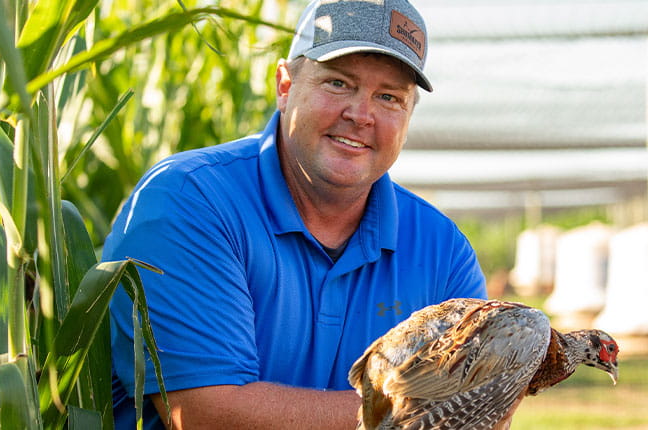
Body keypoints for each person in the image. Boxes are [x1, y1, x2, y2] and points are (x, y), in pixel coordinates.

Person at [104, 0, 487, 428]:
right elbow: (205, 415)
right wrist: (421, 413)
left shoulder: (443, 251)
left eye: (388, 97)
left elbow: (485, 405)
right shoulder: (189, 199)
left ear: (409, 114)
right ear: (285, 86)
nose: (360, 115)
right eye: (338, 83)